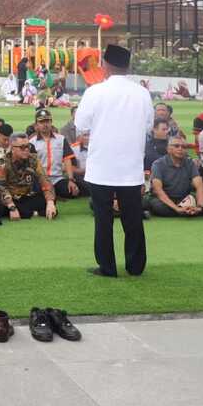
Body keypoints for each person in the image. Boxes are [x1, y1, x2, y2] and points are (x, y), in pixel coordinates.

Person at [74, 45, 151, 277]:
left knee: (103, 219)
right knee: (133, 218)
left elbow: (81, 125)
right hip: (131, 166)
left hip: (102, 166)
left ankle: (107, 267)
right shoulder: (142, 93)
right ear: (127, 67)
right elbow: (148, 126)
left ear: (105, 65)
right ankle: (135, 266)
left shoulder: (95, 91)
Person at [146, 134, 203, 217]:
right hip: (165, 199)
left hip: (185, 199)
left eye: (183, 147)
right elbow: (158, 191)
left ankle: (191, 211)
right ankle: (189, 212)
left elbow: (200, 186)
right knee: (157, 205)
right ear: (168, 149)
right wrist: (177, 208)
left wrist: (199, 207)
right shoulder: (158, 164)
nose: (180, 149)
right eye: (176, 146)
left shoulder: (190, 163)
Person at [0, 132, 58, 220]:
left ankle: (28, 212)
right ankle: (31, 212)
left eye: (28, 146)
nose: (26, 150)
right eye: (22, 147)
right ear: (12, 148)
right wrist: (11, 206)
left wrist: (50, 202)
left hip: (26, 196)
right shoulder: (3, 162)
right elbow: (1, 186)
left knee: (50, 199)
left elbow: (44, 180)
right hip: (9, 198)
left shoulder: (33, 159)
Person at [29, 109, 82, 200]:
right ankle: (52, 194)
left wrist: (70, 180)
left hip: (57, 178)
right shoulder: (32, 142)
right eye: (42, 122)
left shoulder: (61, 139)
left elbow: (67, 159)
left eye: (47, 121)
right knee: (36, 193)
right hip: (41, 179)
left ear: (51, 122)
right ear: (36, 124)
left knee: (72, 192)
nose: (45, 124)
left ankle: (53, 193)